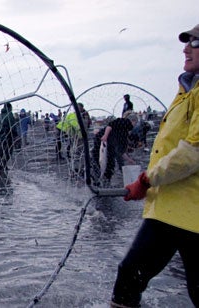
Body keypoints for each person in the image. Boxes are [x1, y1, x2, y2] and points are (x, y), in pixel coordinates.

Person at [110, 24, 199, 307]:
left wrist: (146, 180)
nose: (186, 48)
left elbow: (191, 153)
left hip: (185, 210)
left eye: (195, 43)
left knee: (128, 277)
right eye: (186, 42)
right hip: (172, 207)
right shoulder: (187, 90)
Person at [100, 113, 137, 181]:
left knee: (111, 162)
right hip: (104, 142)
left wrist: (129, 160)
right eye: (135, 122)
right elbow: (109, 126)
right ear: (133, 121)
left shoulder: (123, 134)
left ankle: (105, 179)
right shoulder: (125, 122)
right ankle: (103, 179)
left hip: (110, 145)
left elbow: (120, 152)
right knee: (107, 162)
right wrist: (105, 136)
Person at [0, 103, 16, 170]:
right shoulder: (10, 115)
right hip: (8, 137)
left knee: (1, 152)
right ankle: (4, 165)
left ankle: (0, 166)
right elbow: (13, 126)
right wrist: (16, 135)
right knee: (8, 152)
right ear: (9, 107)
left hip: (0, 138)